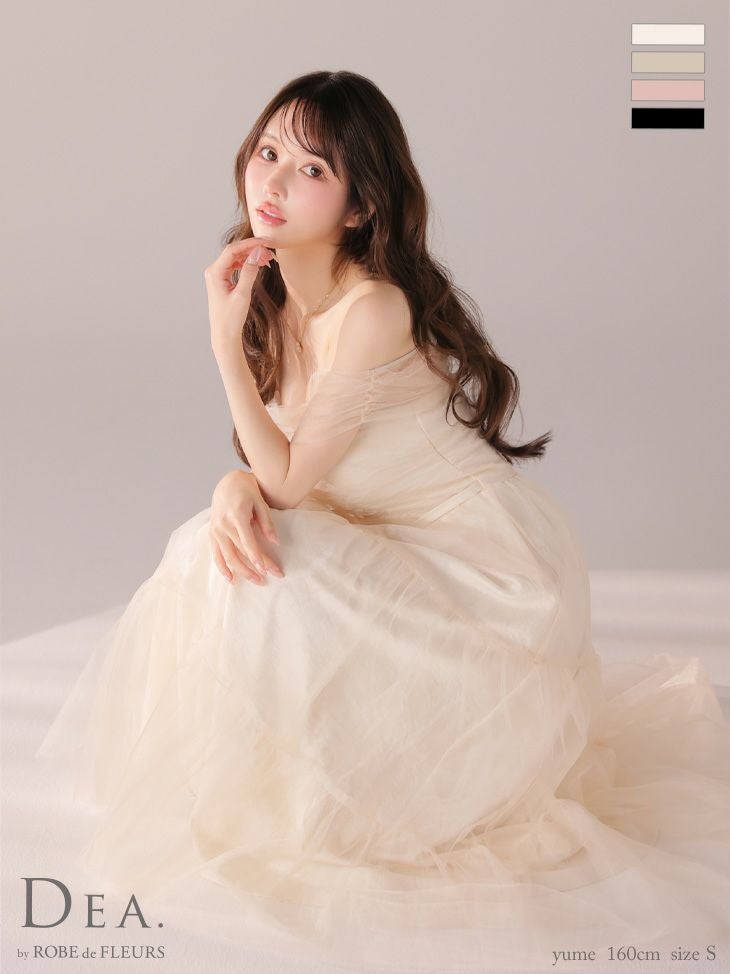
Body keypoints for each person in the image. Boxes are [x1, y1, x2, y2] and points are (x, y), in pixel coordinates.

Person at [35, 70, 730, 973]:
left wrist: (222, 357)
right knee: (218, 546)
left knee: (265, 555)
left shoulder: (373, 307)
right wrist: (234, 483)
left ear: (361, 206)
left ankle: (332, 790)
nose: (273, 182)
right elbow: (284, 470)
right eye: (268, 151)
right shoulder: (275, 290)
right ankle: (267, 783)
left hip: (484, 574)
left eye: (312, 169)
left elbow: (288, 481)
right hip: (378, 531)